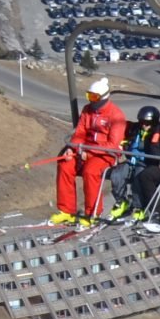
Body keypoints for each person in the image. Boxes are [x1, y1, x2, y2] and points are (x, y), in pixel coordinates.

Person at [56, 77, 127, 224]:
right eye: (89, 96)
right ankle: (66, 210)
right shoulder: (87, 110)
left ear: (103, 97)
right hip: (84, 150)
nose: (91, 100)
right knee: (65, 165)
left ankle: (92, 213)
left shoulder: (115, 115)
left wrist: (90, 152)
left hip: (105, 154)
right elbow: (80, 133)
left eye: (94, 97)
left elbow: (113, 144)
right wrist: (72, 148)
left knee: (90, 171)